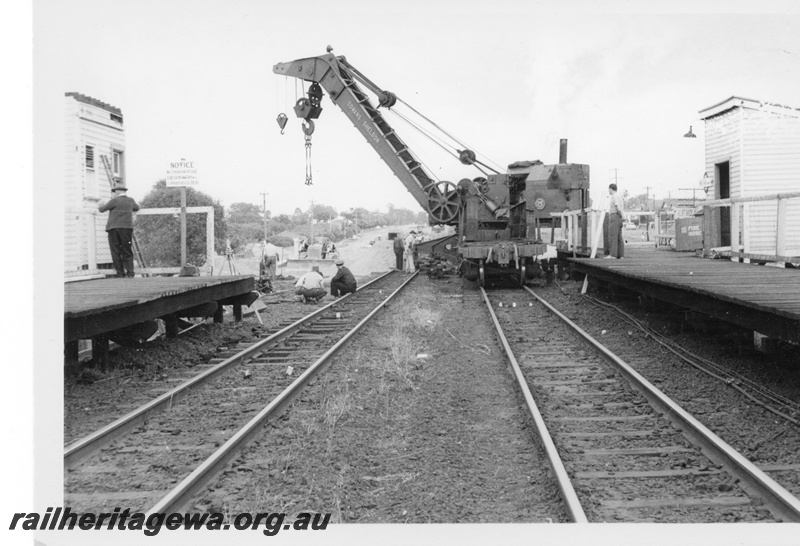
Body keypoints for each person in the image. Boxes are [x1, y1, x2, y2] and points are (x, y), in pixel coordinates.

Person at [97, 183, 140, 278]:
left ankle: (120, 273)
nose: (113, 194)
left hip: (113, 229)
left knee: (115, 250)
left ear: (117, 192)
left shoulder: (114, 201)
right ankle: (130, 272)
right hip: (126, 228)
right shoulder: (131, 200)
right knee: (127, 250)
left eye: (114, 192)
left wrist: (100, 203)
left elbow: (102, 209)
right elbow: (137, 207)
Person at [605, 183, 625, 259]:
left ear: (610, 189)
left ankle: (613, 255)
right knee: (619, 237)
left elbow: (617, 207)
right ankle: (621, 255)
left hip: (615, 216)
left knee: (613, 235)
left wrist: (621, 215)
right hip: (619, 218)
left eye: (608, 190)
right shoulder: (619, 196)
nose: (608, 191)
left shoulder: (615, 196)